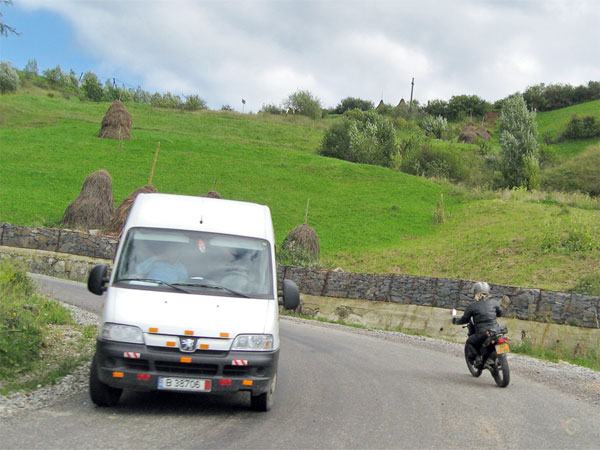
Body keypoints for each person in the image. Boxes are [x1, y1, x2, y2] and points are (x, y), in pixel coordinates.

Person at [452, 281, 503, 368]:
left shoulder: (472, 306)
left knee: (469, 342)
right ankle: (492, 358)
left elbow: (465, 319)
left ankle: (477, 358)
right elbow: (500, 313)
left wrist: (456, 321)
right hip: (496, 331)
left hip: (483, 332)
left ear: (475, 292)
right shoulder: (494, 302)